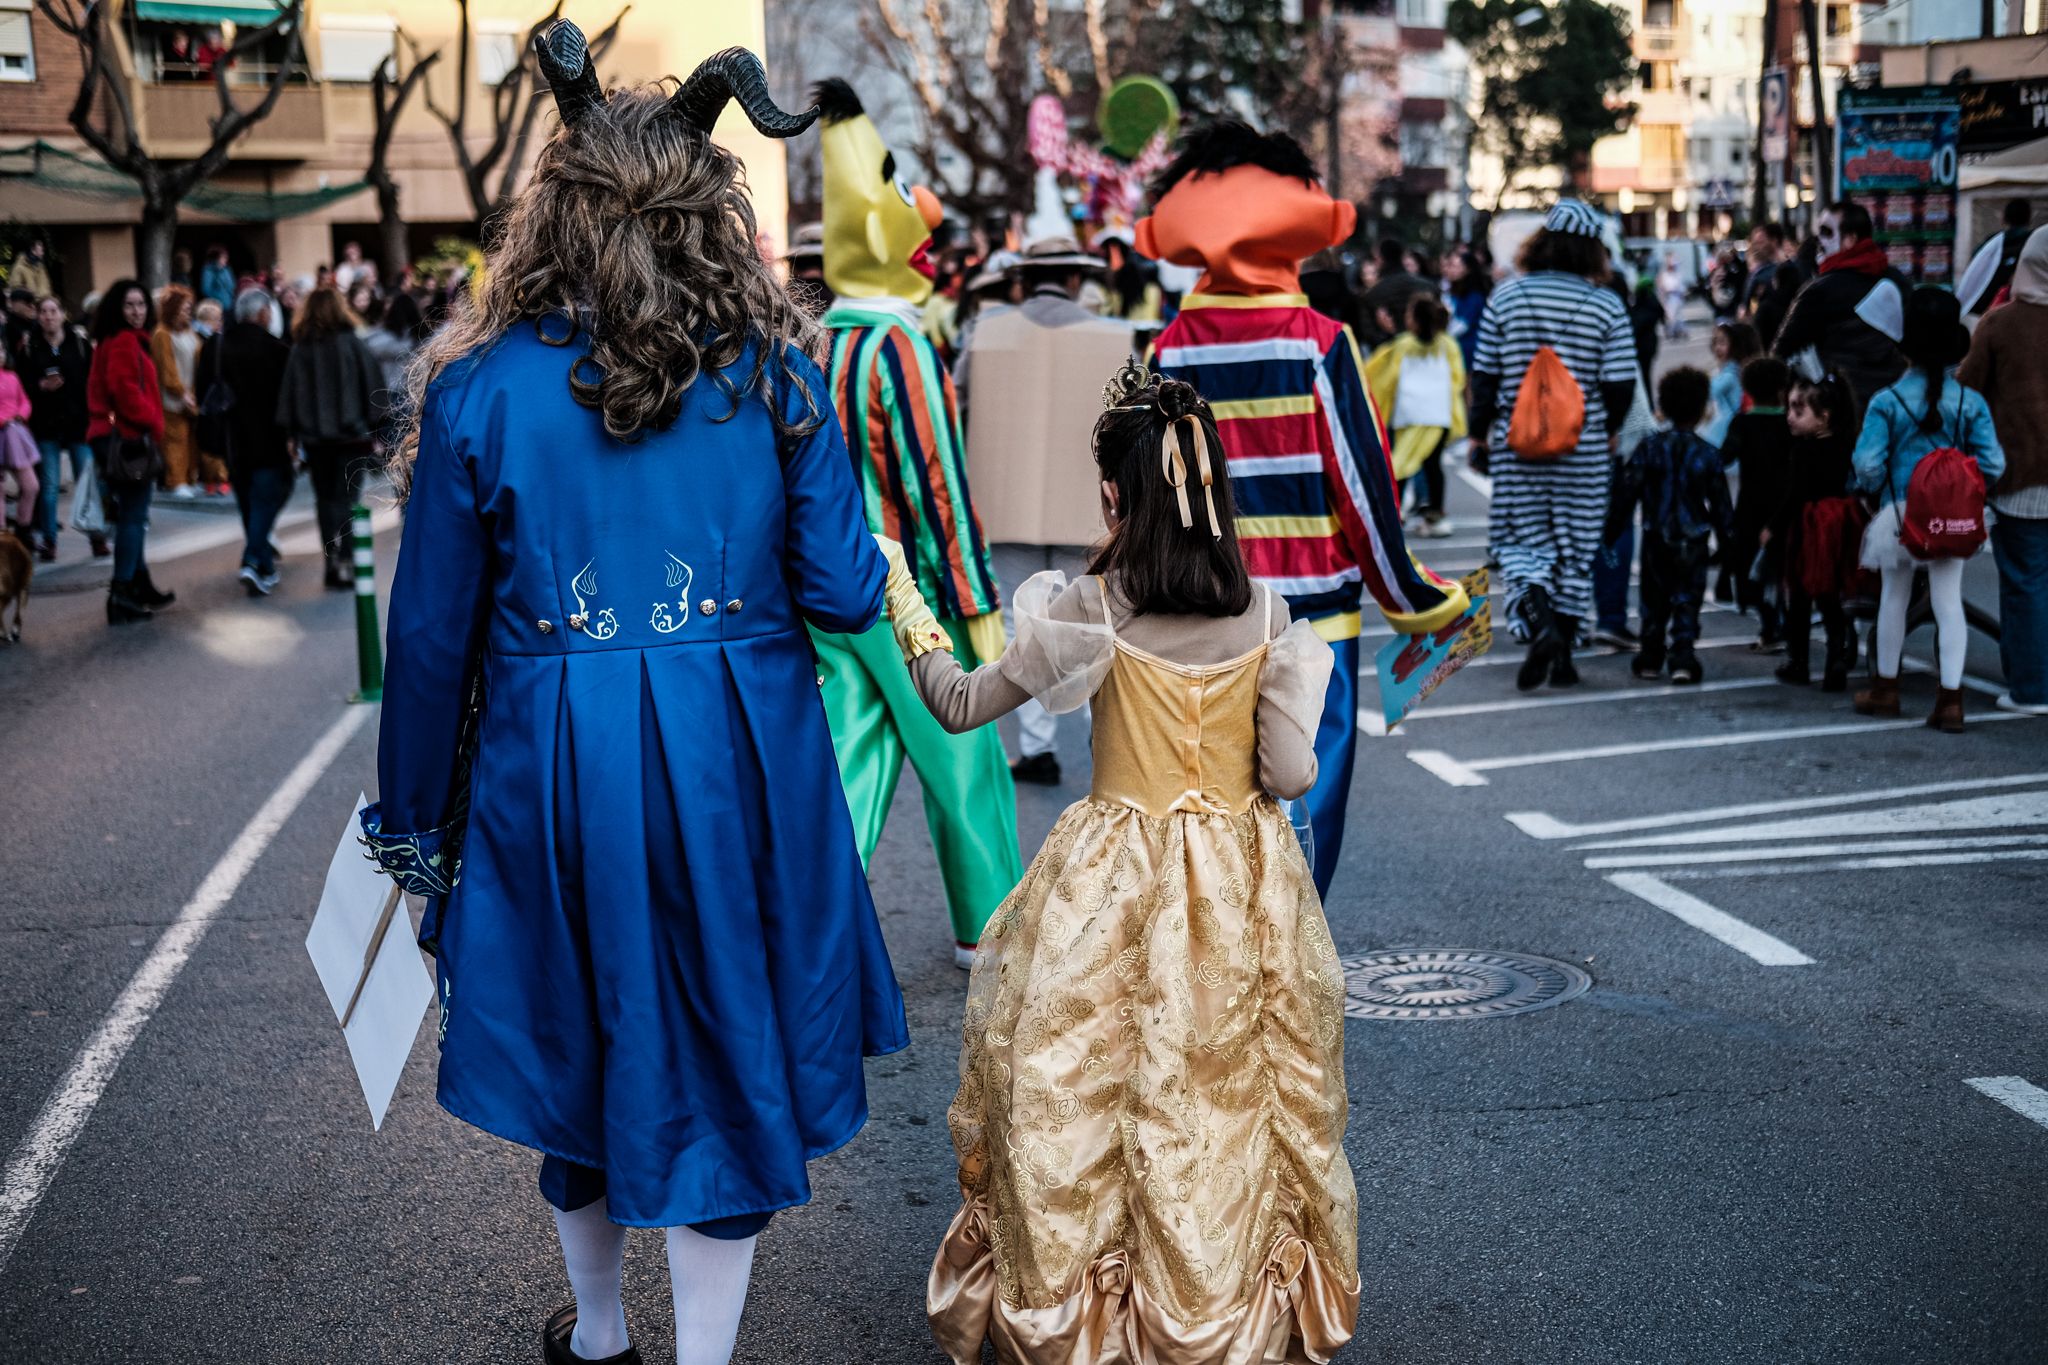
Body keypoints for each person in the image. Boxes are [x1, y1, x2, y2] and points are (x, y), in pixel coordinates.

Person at [357, 32, 905, 1365]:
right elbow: (840, 590)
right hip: (742, 772)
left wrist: (411, 842)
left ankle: (599, 1337)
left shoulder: (477, 390)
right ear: (712, 220)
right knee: (724, 1062)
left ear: (555, 215)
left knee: (578, 1043)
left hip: (553, 778)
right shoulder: (776, 379)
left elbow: (427, 648)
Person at [914, 367, 1357, 1365]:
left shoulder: (1090, 607)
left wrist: (902, 602)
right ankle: (1214, 1306)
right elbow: (1289, 772)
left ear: (1115, 495)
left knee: (1088, 1102)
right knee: (1224, 1100)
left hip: (1110, 880)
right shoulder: (1268, 614)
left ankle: (1092, 1318)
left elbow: (954, 703)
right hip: (1240, 892)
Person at [1141, 119, 1466, 895]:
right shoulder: (1319, 343)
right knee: (1304, 790)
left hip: (1201, 607)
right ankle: (1287, 961)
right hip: (1314, 614)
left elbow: (1149, 492)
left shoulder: (1169, 349)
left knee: (1212, 791)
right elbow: (1364, 490)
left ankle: (1219, 946)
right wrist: (1418, 598)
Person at [811, 77, 1022, 967]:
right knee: (964, 762)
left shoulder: (820, 340)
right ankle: (993, 923)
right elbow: (939, 487)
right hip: (911, 594)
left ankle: (817, 923)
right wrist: (974, 602)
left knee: (849, 757)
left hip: (830, 583)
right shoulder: (903, 346)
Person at [955, 232, 1129, 786]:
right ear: (1076, 280)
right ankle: (1103, 735)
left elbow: (957, 398)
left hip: (1003, 497)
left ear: (1022, 281)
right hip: (1091, 500)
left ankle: (1036, 745)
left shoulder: (986, 332)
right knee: (1093, 618)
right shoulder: (1115, 337)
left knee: (1020, 620)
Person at [1469, 199, 1638, 691]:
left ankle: (1539, 622)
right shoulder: (1607, 304)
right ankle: (1562, 650)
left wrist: (1480, 432)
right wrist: (1608, 430)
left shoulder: (1507, 296)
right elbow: (1620, 383)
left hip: (1518, 444)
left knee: (1522, 538)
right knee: (1574, 546)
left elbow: (1486, 375)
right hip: (1581, 449)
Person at [1851, 288, 2005, 732]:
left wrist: (1873, 486)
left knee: (1894, 597)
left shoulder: (1886, 401)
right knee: (1947, 600)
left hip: (1899, 514)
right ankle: (1951, 701)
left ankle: (1885, 688)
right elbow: (1993, 462)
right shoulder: (1970, 402)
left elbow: (1867, 464)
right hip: (1952, 514)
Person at [1957, 229, 2048, 715]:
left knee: (2025, 585)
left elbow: (1966, 388)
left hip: (2022, 479)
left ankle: (2032, 689)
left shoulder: (2001, 324)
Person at [1606, 366, 1730, 685]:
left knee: (1654, 600)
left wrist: (1611, 531)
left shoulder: (1649, 449)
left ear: (1663, 406)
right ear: (1702, 408)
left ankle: (1650, 656)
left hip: (1656, 534)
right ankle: (1683, 657)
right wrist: (1729, 545)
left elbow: (1627, 494)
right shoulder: (1707, 454)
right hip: (1693, 537)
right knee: (1688, 600)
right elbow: (1720, 507)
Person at [277, 285, 379, 589]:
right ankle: (347, 558)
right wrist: (377, 429)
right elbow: (373, 389)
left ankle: (331, 559)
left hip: (316, 439)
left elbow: (289, 396)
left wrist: (293, 434)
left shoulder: (300, 348)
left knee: (324, 499)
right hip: (353, 437)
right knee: (348, 498)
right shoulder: (354, 343)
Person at [85, 280, 171, 623]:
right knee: (133, 518)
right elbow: (124, 392)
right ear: (116, 310)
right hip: (127, 439)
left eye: (141, 305)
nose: (137, 311)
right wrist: (154, 422)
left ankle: (138, 584)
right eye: (129, 305)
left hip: (117, 437)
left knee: (132, 516)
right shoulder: (123, 341)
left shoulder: (121, 339)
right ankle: (122, 593)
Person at [198, 289, 293, 594]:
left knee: (248, 503)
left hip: (231, 440)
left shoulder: (216, 346)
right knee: (270, 496)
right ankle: (252, 559)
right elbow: (286, 400)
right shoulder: (276, 349)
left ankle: (263, 563)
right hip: (269, 439)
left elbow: (203, 391)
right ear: (264, 313)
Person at [1772, 372, 1861, 690]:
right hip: (1840, 522)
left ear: (1824, 417)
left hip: (1809, 525)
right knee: (1831, 597)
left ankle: (1798, 662)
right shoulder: (1847, 444)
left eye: (1798, 411)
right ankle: (1836, 657)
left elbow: (1793, 494)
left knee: (1799, 595)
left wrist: (1774, 528)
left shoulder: (1803, 451)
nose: (1790, 417)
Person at [1772, 201, 1908, 407]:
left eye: (1827, 232)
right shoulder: (1897, 280)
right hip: (1893, 401)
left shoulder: (1820, 290)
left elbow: (1780, 352)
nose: (1819, 240)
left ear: (1850, 239)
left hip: (1840, 408)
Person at [1367, 292, 1465, 538]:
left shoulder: (1402, 345)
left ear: (1414, 318)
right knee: (1432, 466)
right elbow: (1457, 379)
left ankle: (1394, 515)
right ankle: (1435, 515)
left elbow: (1384, 377)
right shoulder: (1448, 344)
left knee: (1401, 463)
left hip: (1409, 414)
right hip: (1438, 414)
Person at [1716, 356, 1791, 651]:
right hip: (1784, 502)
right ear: (1782, 388)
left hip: (1751, 504)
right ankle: (1786, 621)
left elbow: (1724, 458)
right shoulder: (1789, 422)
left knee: (1751, 567)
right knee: (1784, 564)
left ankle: (1768, 625)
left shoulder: (1743, 422)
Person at [22, 295, 100, 562]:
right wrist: (40, 387)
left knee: (87, 481)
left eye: (53, 310)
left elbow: (93, 378)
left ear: (62, 314)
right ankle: (49, 541)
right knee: (50, 484)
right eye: (43, 311)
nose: (48, 316)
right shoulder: (31, 347)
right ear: (38, 316)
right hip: (46, 425)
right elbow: (23, 385)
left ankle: (96, 536)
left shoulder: (78, 344)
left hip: (78, 422)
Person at [151, 284, 203, 498]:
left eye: (189, 307)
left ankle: (191, 476)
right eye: (184, 307)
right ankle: (176, 480)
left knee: (191, 440)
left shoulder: (190, 332)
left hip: (191, 393)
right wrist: (181, 392)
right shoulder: (162, 334)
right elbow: (166, 370)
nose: (188, 311)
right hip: (172, 399)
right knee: (175, 440)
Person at [1958, 199, 2036, 316]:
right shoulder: (2036, 242)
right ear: (2030, 218)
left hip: (1988, 311)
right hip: (2027, 310)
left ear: (2003, 218)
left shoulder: (1992, 244)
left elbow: (1975, 270)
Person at [1360, 235, 1433, 347]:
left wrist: (1391, 334)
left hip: (1392, 356)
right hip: (1429, 354)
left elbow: (1371, 336)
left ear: (1380, 259)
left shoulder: (1373, 295)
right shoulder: (1428, 287)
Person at [0, 343, 39, 538]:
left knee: (31, 485)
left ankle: (24, 529)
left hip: (15, 434)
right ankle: (2, 535)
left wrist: (20, 415)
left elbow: (24, 401)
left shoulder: (12, 376)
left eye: (1, 349)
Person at [1704, 320, 1761, 449]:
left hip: (1725, 430)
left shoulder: (1730, 375)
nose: (1717, 348)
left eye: (1723, 343)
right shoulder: (1741, 370)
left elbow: (1704, 393)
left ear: (1736, 346)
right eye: (1715, 342)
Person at [1442, 243, 1490, 374]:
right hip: (1455, 347)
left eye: (1456, 266)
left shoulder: (1475, 296)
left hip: (1468, 349)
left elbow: (1462, 324)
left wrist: (1442, 336)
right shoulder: (1451, 293)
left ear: (1468, 270)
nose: (1451, 270)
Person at [1658, 249, 1688, 339]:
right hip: (1669, 295)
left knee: (1676, 315)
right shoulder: (1665, 272)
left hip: (1676, 295)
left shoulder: (1676, 271)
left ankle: (1679, 331)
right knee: (1671, 315)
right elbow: (1661, 284)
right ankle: (1675, 331)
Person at [199, 245, 236, 310]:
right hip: (217, 307)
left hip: (230, 306)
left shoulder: (227, 270)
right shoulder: (208, 270)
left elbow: (232, 286)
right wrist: (218, 301)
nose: (226, 259)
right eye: (223, 257)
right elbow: (206, 290)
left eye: (226, 257)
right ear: (216, 258)